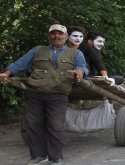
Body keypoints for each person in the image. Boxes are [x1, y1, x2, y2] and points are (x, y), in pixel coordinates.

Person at [0, 24, 88, 165]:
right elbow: (20, 64)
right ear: (49, 36)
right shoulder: (38, 50)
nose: (56, 36)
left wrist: (79, 72)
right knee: (33, 125)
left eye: (60, 34)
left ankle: (56, 157)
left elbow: (82, 67)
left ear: (65, 37)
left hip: (58, 94)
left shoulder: (76, 53)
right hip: (35, 93)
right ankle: (38, 156)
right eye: (53, 33)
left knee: (56, 126)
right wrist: (7, 73)